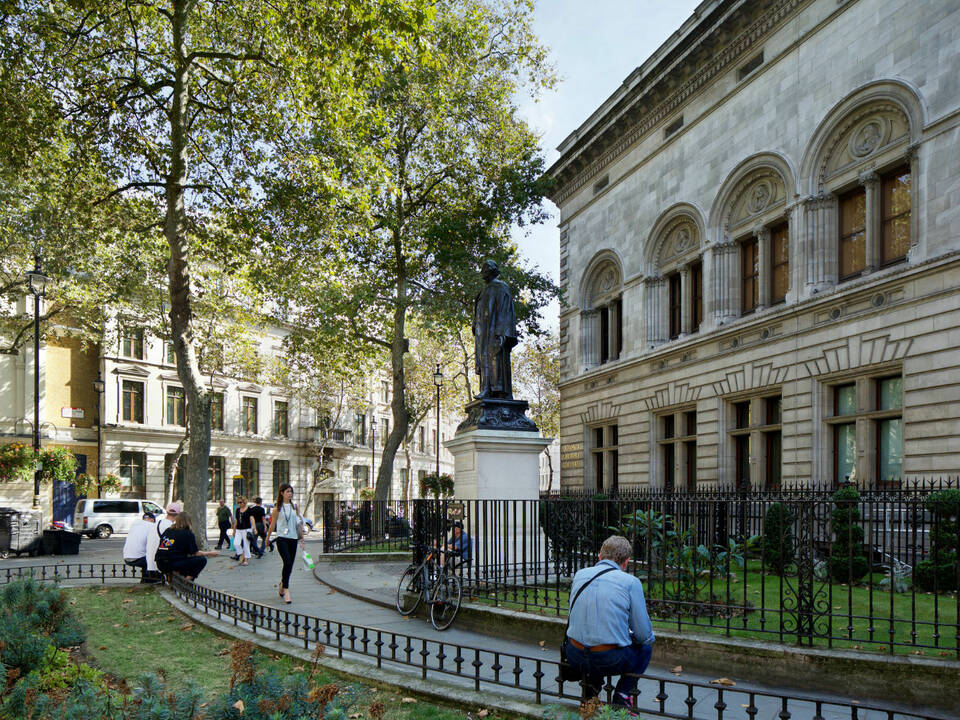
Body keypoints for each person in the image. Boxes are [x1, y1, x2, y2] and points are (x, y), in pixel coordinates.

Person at [563, 535, 655, 713]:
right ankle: (623, 694)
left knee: (594, 640)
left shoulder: (580, 575)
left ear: (599, 556)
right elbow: (644, 635)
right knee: (645, 648)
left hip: (575, 655)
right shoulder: (631, 582)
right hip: (609, 660)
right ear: (626, 561)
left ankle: (591, 691)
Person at [473, 259, 518, 399]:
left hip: (495, 332)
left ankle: (493, 389)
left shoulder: (500, 287)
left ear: (491, 271)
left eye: (485, 269)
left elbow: (507, 311)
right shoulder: (483, 292)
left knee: (494, 359)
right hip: (483, 333)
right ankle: (486, 388)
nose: (482, 272)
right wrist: (475, 324)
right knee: (484, 358)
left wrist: (503, 332)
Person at [265, 483, 304, 604]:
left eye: (291, 492)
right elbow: (272, 525)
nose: (290, 494)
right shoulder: (277, 508)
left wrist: (302, 538)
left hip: (293, 539)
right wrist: (267, 538)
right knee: (287, 561)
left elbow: (299, 522)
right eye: (287, 491)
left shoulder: (295, 507)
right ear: (282, 493)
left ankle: (282, 584)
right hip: (282, 539)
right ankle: (286, 590)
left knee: (290, 565)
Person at [155, 511, 218, 580]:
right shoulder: (187, 533)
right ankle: (187, 580)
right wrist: (210, 553)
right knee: (202, 560)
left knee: (183, 560)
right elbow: (196, 553)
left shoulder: (168, 530)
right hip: (172, 563)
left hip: (160, 563)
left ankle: (175, 578)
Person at [145, 502, 181, 580]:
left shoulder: (157, 523)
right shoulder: (170, 527)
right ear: (178, 515)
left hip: (150, 561)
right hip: (160, 562)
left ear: (167, 513)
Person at [122, 511, 156, 582]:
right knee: (153, 559)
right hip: (138, 558)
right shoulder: (152, 526)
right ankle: (149, 580)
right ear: (152, 520)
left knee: (145, 557)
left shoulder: (134, 525)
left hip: (126, 557)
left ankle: (145, 579)